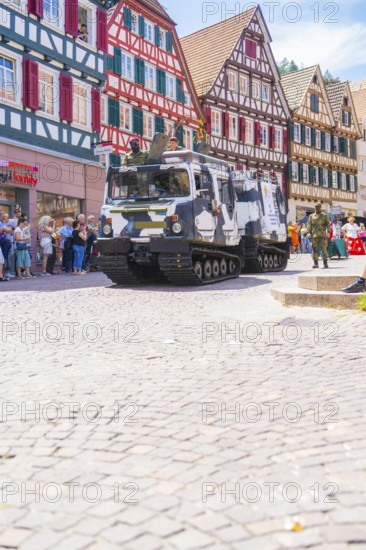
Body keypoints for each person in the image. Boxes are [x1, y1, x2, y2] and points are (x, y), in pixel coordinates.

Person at [307, 202, 330, 269]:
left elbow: (328, 224)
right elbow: (309, 225)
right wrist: (308, 232)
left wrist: (328, 232)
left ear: (320, 207)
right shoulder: (311, 216)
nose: (317, 208)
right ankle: (315, 263)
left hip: (322, 235)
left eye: (318, 207)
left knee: (324, 249)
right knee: (314, 250)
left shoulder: (324, 215)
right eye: (316, 207)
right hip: (314, 235)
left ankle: (325, 263)